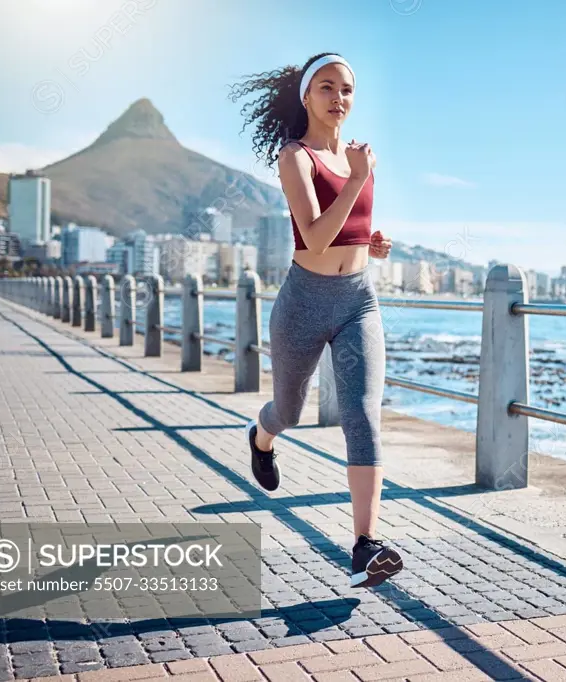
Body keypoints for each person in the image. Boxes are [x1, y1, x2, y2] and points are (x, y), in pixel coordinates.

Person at [231, 53, 401, 588]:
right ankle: (261, 436)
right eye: (326, 87)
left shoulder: (358, 159)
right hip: (304, 301)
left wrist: (372, 246)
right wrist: (356, 179)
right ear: (306, 96)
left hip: (358, 299)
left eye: (347, 89)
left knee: (362, 414)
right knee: (291, 410)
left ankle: (365, 545)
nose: (338, 97)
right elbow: (315, 235)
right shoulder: (295, 157)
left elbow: (346, 232)